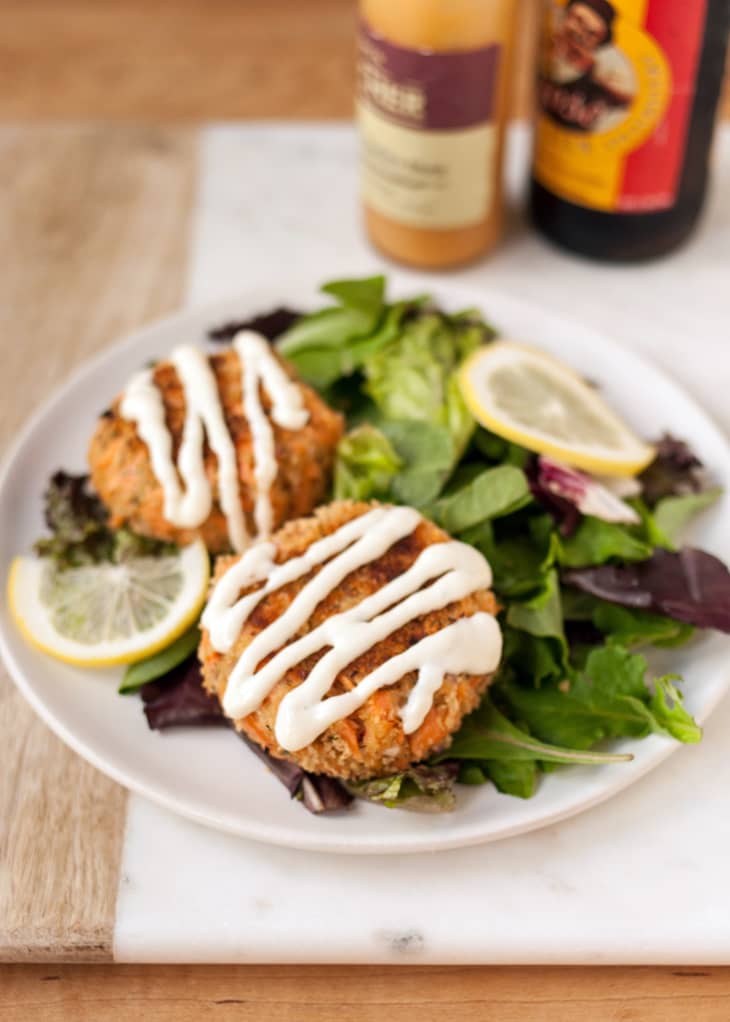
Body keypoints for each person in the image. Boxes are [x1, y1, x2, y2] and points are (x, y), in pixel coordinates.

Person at [539, 0, 637, 133]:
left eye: (591, 33)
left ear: (599, 43)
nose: (579, 34)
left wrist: (591, 73)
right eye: (578, 20)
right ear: (565, 16)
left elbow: (627, 100)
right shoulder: (540, 44)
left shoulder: (602, 72)